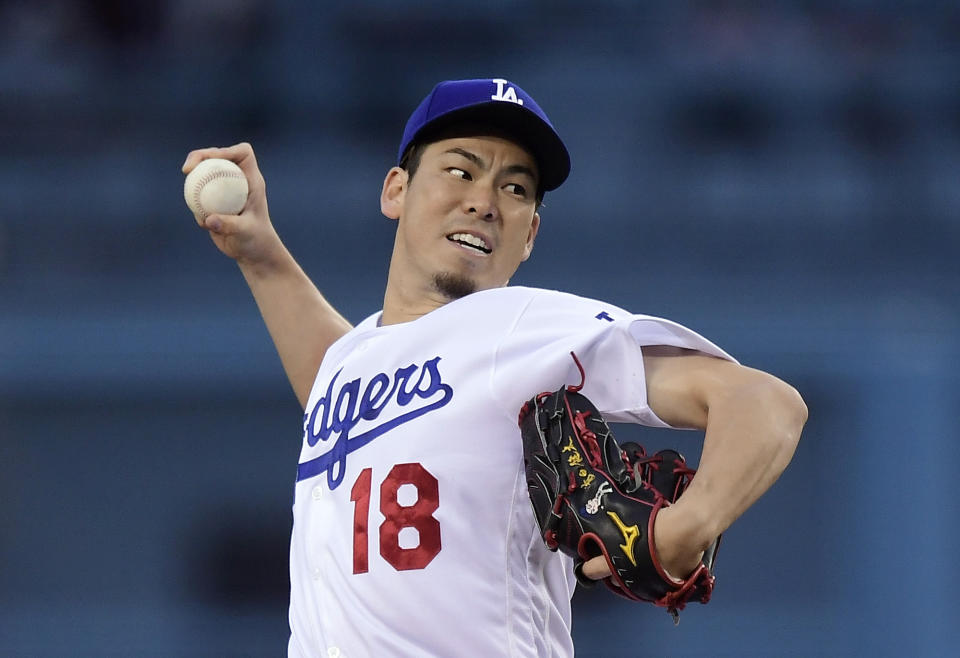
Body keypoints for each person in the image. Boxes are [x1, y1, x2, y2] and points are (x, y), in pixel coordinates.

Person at [183, 78, 807, 658]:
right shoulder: (360, 361)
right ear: (396, 190)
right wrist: (261, 256)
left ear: (530, 233)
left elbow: (764, 402)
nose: (484, 201)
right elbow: (337, 375)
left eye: (514, 188)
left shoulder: (522, 325)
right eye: (461, 170)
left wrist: (689, 525)